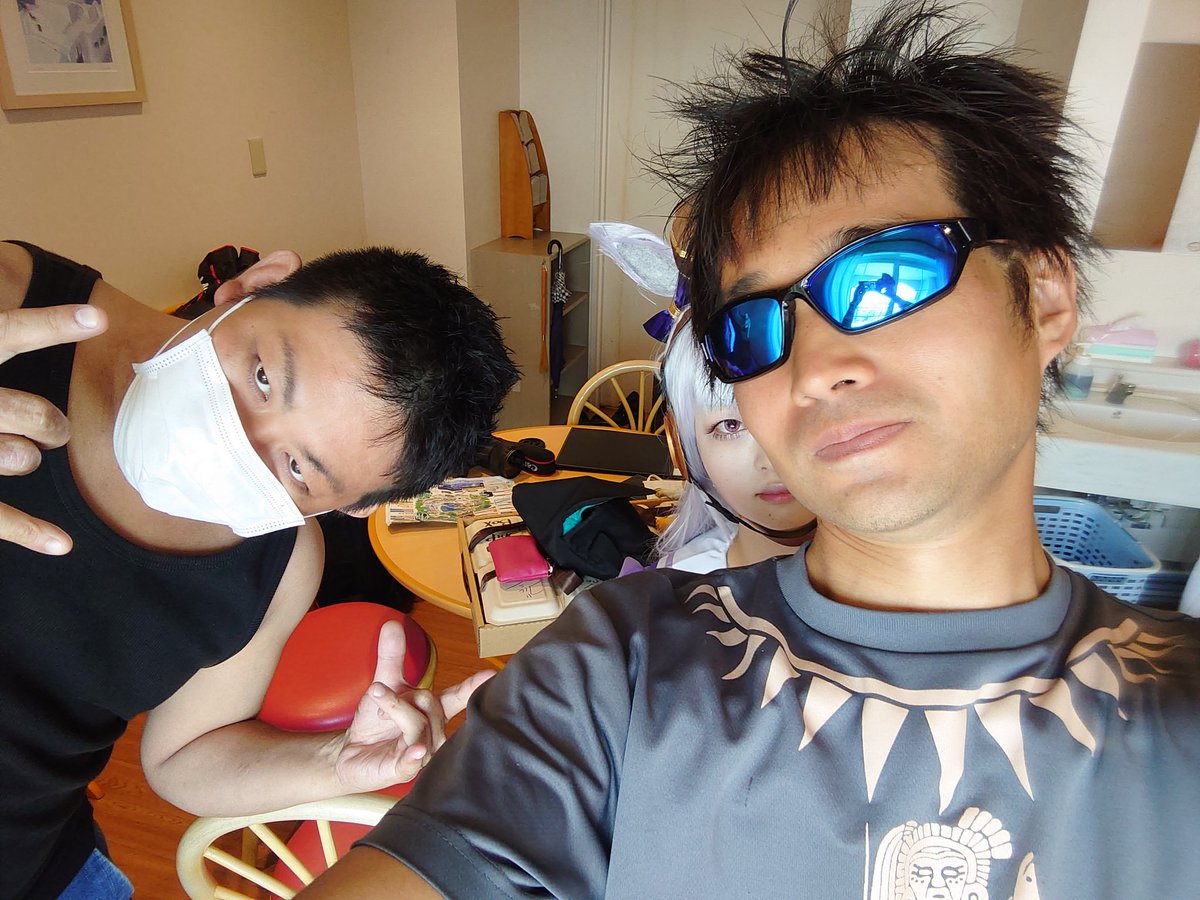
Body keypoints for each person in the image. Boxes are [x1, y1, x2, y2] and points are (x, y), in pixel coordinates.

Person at [303, 3, 1200, 897]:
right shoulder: (620, 665)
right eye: (753, 326)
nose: (815, 367)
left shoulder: (1181, 710)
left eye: (884, 278)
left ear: (1042, 295)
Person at [0, 239, 516, 898]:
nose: (230, 439)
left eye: (296, 467)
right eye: (264, 376)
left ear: (353, 506)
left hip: (42, 868)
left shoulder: (279, 562)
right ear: (255, 285)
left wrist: (335, 761)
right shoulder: (17, 301)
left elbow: (184, 755)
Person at [651, 316, 814, 572]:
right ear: (682, 450)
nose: (772, 461)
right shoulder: (671, 585)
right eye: (731, 425)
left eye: (803, 416)